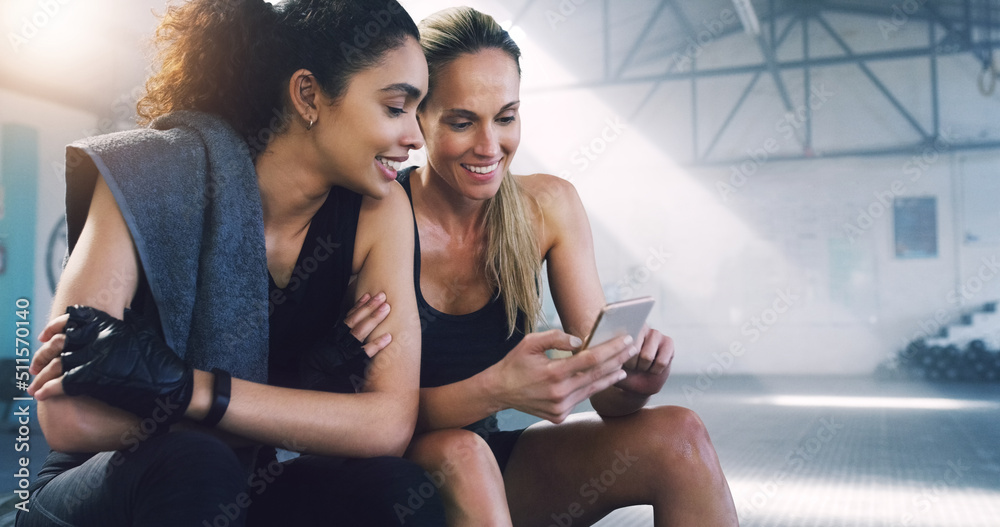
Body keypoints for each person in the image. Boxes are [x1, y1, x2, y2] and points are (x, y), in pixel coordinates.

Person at [20, 1, 455, 525]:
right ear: (308, 94)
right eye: (395, 108)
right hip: (101, 488)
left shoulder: (378, 213)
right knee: (197, 463)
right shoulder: (151, 174)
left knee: (396, 488)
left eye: (417, 109)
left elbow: (385, 425)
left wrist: (184, 388)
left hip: (246, 476)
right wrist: (301, 400)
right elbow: (67, 416)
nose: (416, 137)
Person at [398, 7, 740, 526]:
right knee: (461, 452)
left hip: (490, 463)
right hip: (390, 467)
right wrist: (498, 389)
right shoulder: (378, 215)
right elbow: (367, 414)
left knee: (680, 436)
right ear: (418, 117)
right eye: (462, 121)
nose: (490, 147)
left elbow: (608, 401)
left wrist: (631, 380)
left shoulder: (549, 207)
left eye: (506, 117)